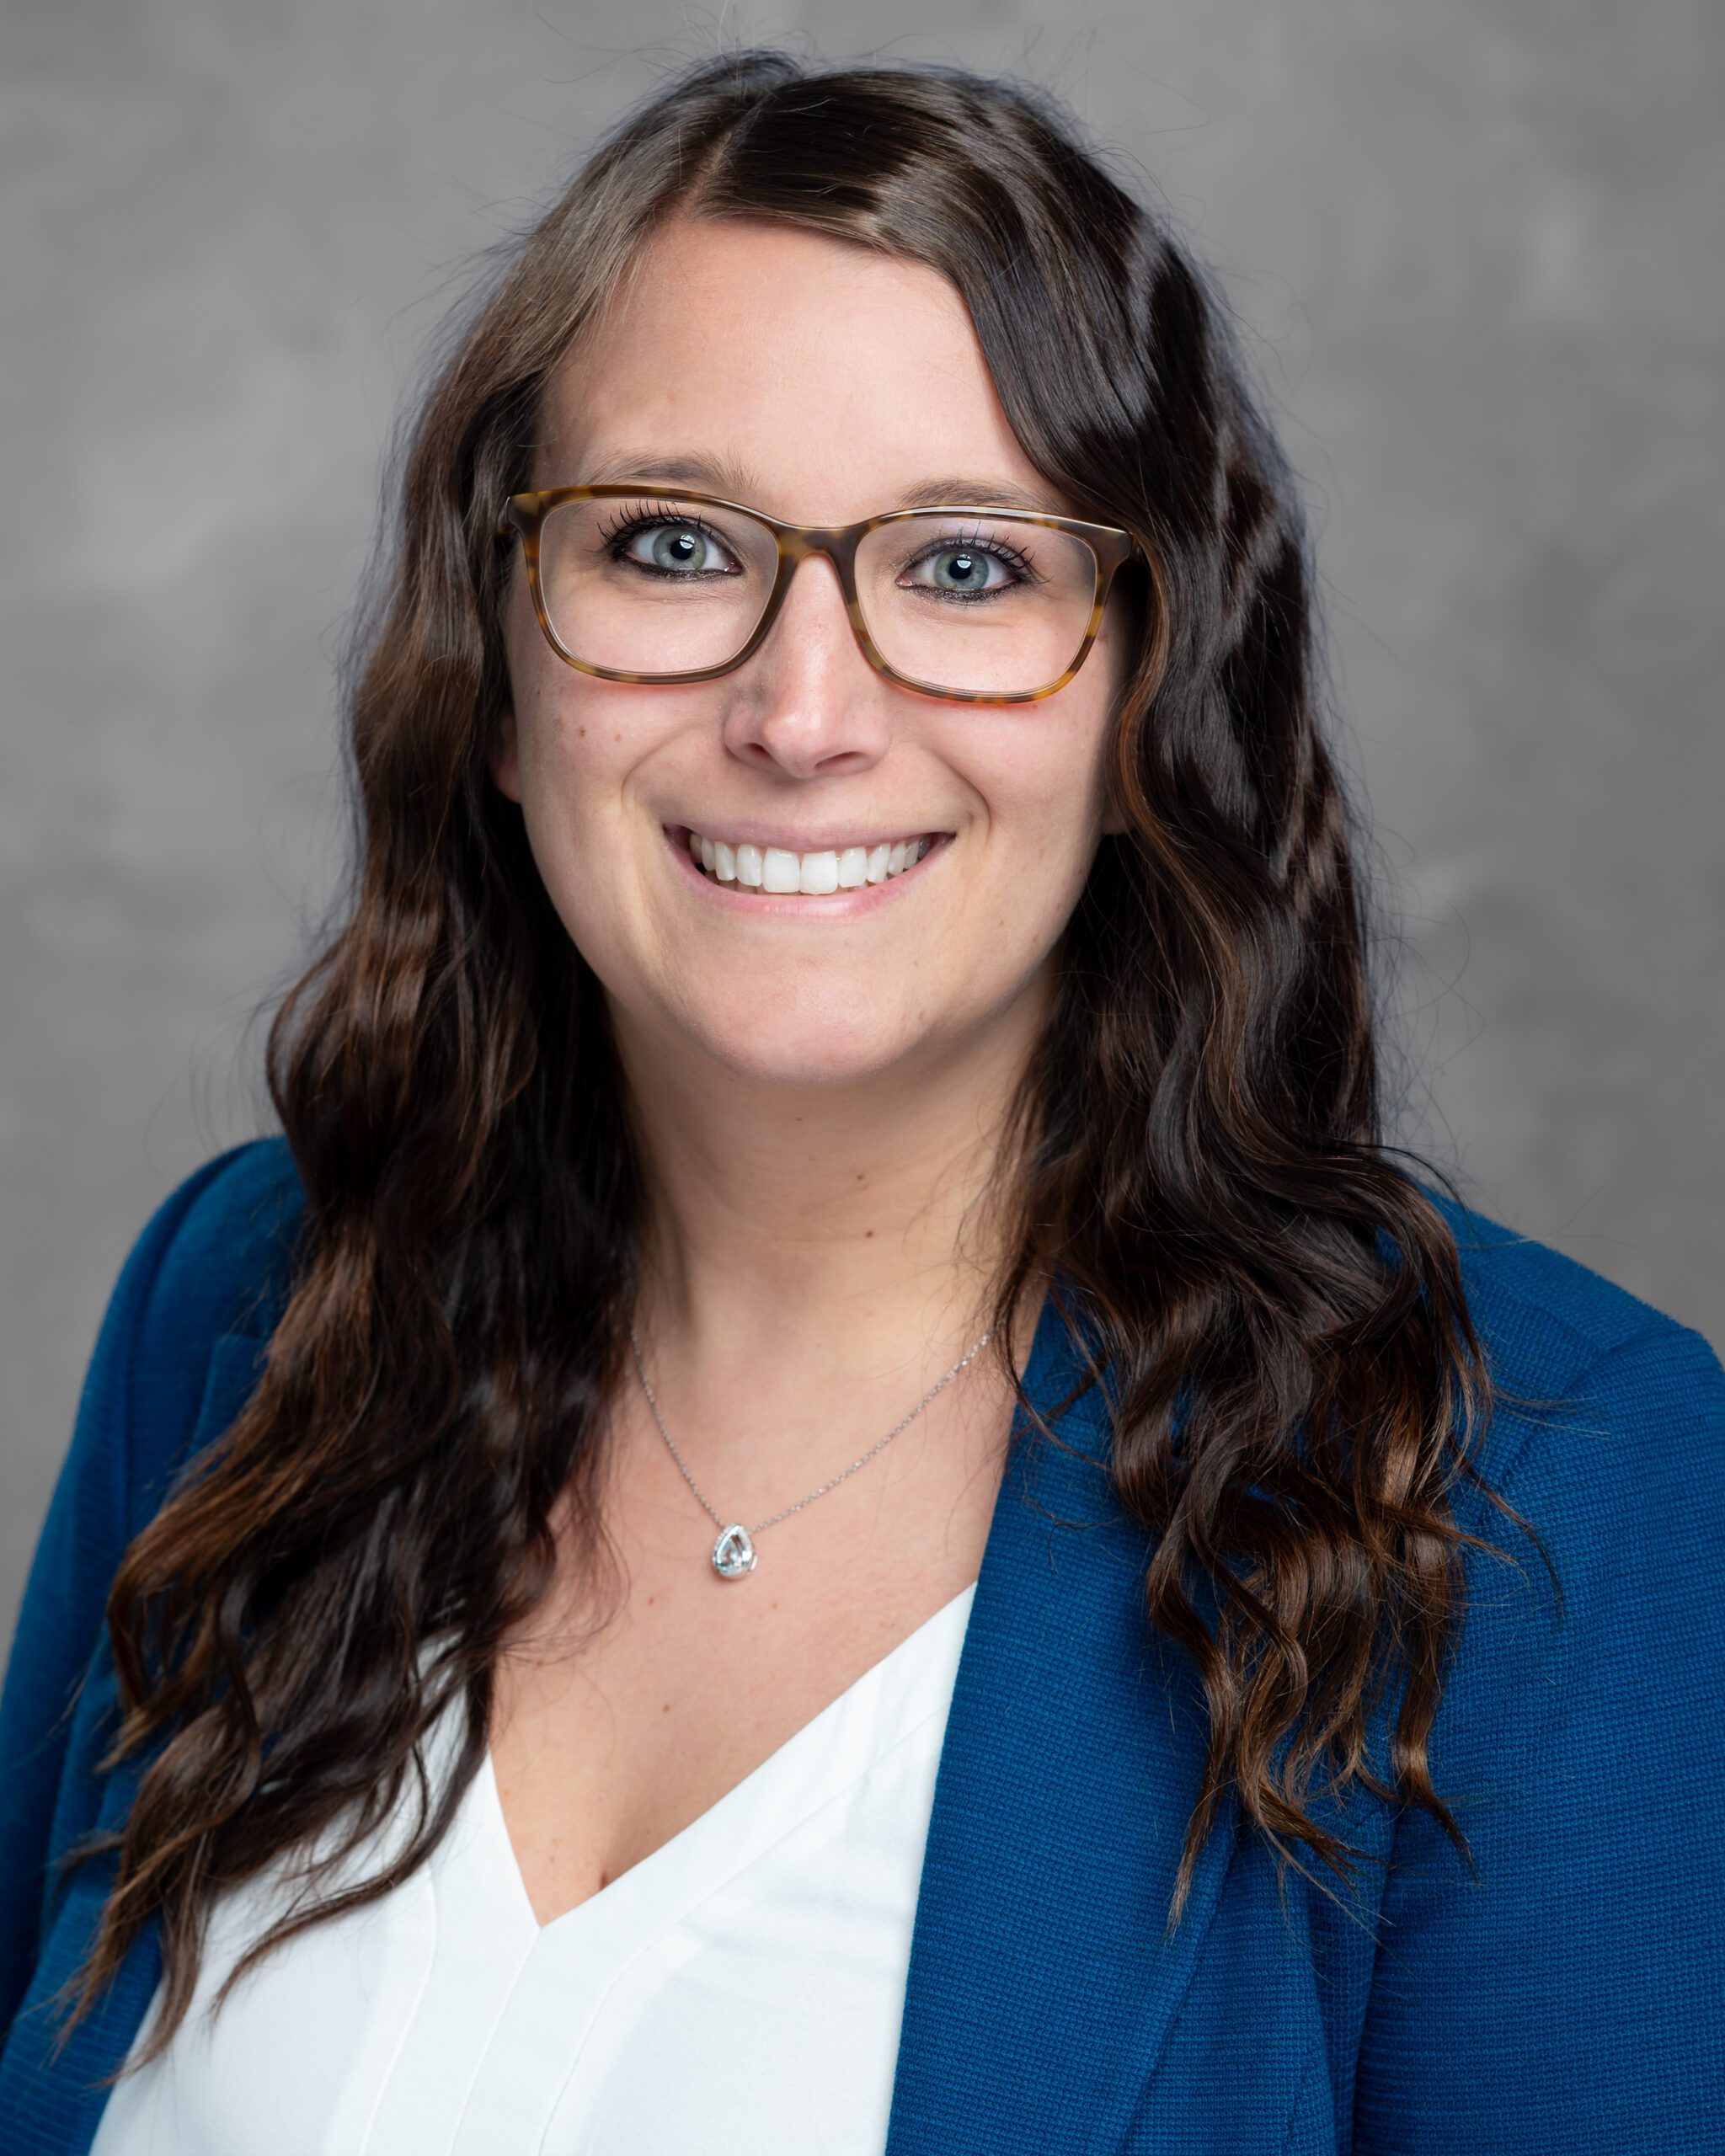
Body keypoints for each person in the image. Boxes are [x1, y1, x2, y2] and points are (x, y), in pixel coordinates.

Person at [2, 50, 1720, 2156]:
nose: (802, 712)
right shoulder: (243, 1307)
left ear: (1144, 691)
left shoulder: (1549, 1495)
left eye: (969, 569)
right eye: (667, 541)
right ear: (504, 676)